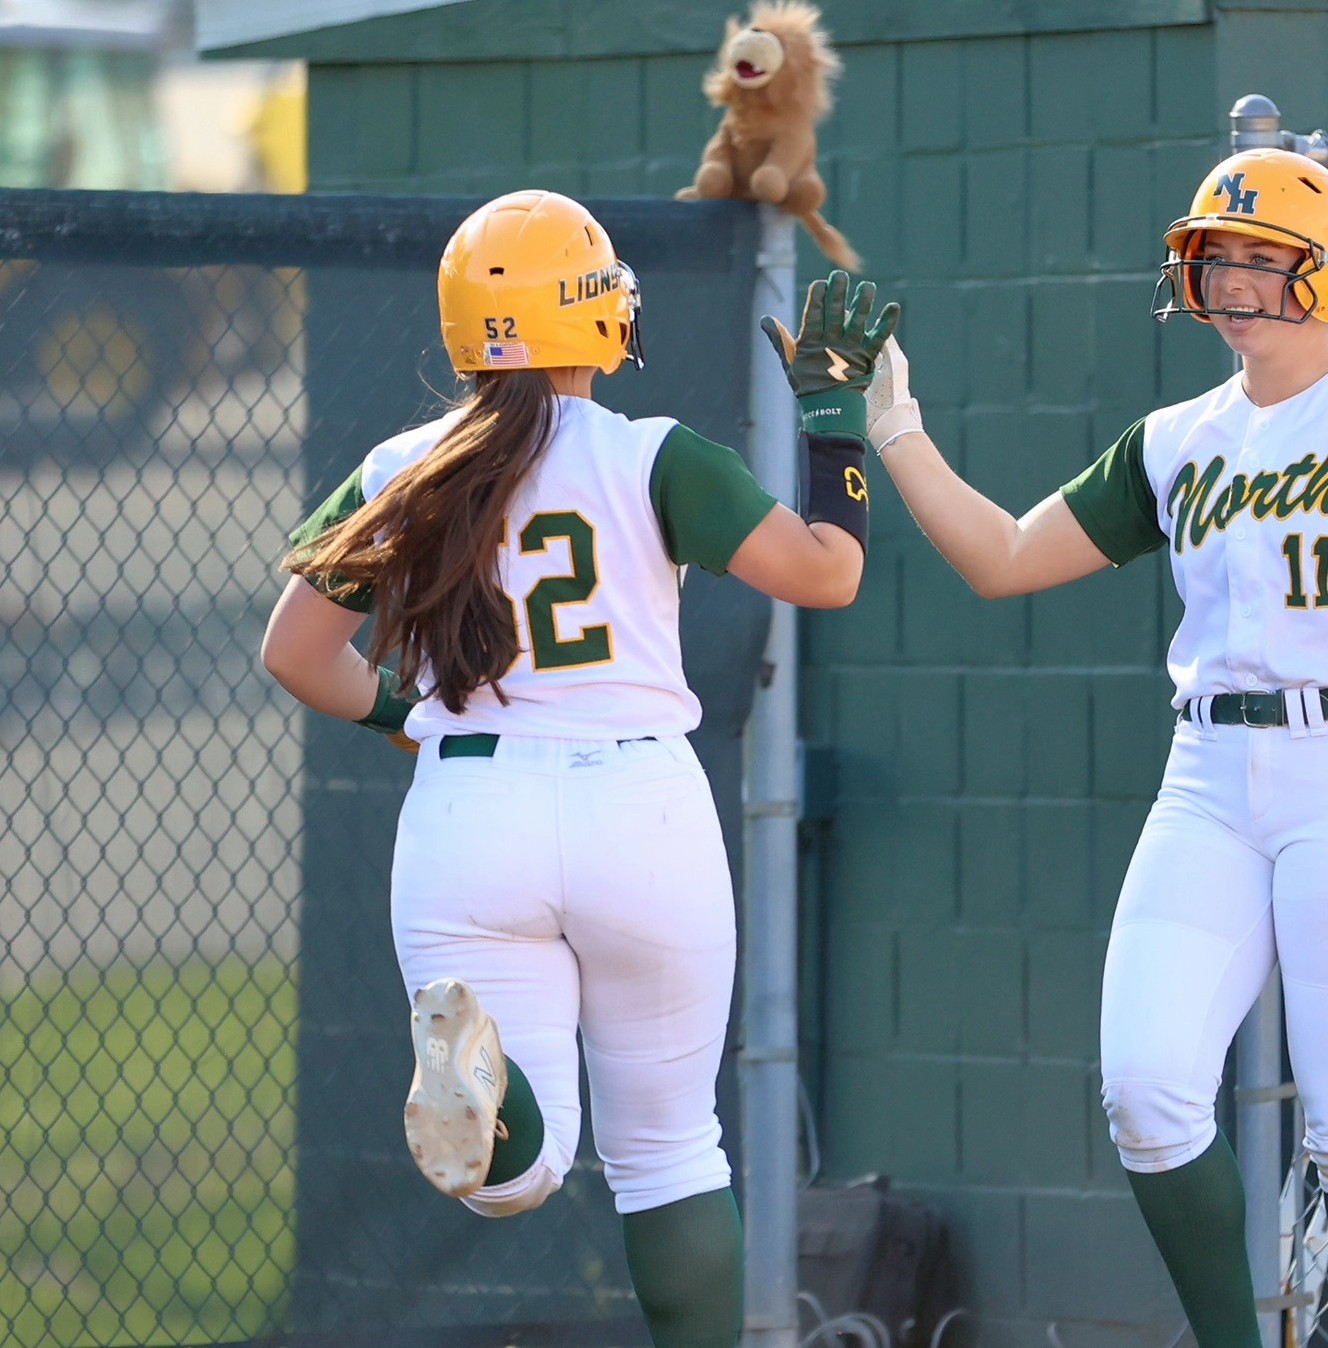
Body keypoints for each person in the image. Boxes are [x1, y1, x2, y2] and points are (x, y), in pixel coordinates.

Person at [856, 147, 1328, 1348]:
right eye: (1215, 255)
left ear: (1323, 275)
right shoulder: (1174, 437)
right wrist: (896, 430)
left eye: (1259, 258)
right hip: (1210, 770)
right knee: (1148, 1089)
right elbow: (1004, 557)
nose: (1228, 277)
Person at [260, 191, 871, 1348]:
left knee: (513, 1175)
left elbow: (294, 652)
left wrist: (412, 721)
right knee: (670, 1150)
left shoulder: (401, 464)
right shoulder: (651, 455)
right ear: (596, 319)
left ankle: (487, 1103)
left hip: (469, 808)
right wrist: (835, 421)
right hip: (637, 805)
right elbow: (824, 573)